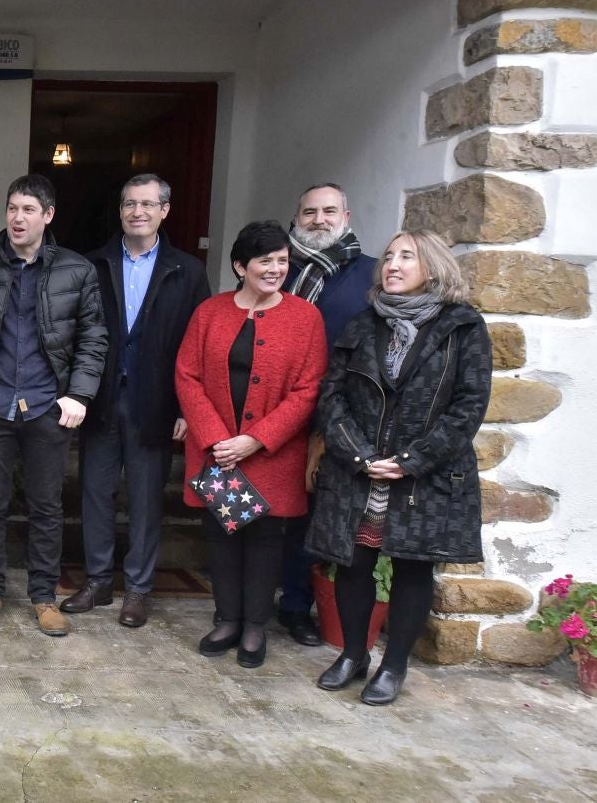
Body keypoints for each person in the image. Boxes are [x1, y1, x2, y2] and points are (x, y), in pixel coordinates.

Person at [307, 230, 491, 706]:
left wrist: (411, 461)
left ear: (431, 267)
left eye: (405, 257)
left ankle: (393, 666)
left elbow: (468, 407)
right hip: (361, 470)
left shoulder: (462, 327)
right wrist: (359, 455)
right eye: (388, 257)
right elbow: (332, 396)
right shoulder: (363, 324)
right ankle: (353, 654)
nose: (391, 265)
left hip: (423, 478)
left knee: (411, 571)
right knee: (353, 564)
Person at [0, 174, 107, 638]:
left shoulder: (76, 270)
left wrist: (79, 394)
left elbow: (93, 337)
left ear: (48, 215)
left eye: (28, 210)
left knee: (46, 507)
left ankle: (43, 596)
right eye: (12, 209)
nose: (18, 218)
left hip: (45, 405)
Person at [174, 220, 325, 668]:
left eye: (282, 260)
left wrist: (256, 440)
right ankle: (227, 619)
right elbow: (187, 375)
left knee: (264, 540)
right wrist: (219, 439)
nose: (276, 268)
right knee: (221, 535)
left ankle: (256, 626)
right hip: (217, 452)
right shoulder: (210, 313)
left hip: (270, 455)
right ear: (241, 265)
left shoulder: (305, 317)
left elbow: (309, 389)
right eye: (265, 260)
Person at [64, 174, 211, 629]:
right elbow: (78, 333)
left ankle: (138, 589)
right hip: (102, 399)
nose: (137, 212)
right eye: (130, 204)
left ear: (165, 210)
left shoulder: (188, 271)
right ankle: (97, 581)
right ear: (120, 210)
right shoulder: (94, 264)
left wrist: (187, 407)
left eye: (147, 204)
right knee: (95, 493)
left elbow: (197, 346)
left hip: (155, 402)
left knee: (146, 499)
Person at [280, 182, 380, 646]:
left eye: (328, 211)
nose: (319, 220)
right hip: (273, 409)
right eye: (309, 212)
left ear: (347, 213)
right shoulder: (275, 266)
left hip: (337, 414)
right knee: (266, 510)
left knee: (315, 512)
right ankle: (253, 598)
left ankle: (297, 605)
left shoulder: (369, 275)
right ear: (296, 216)